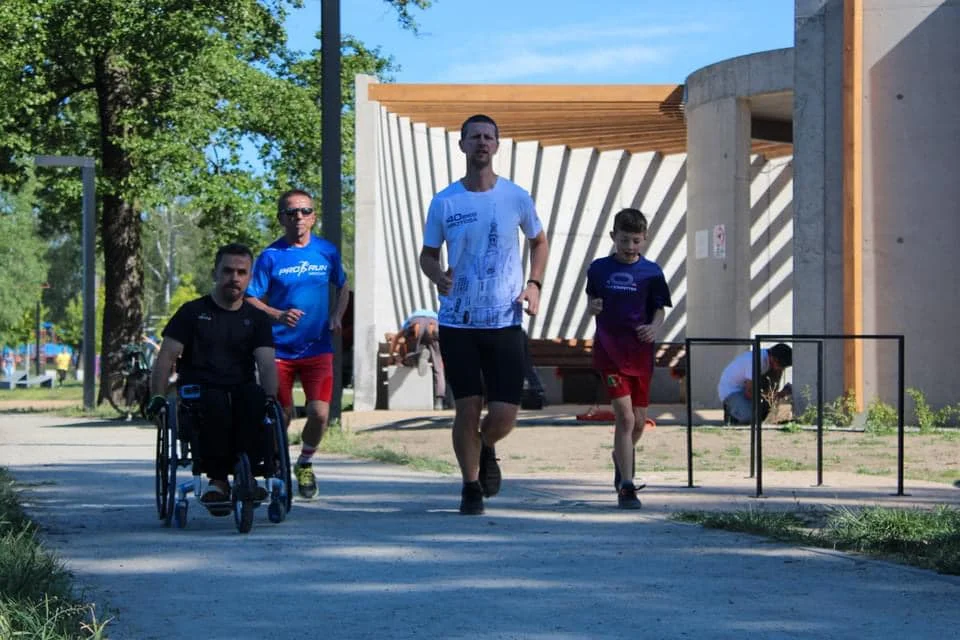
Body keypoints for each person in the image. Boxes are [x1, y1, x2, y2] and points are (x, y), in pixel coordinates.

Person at [419, 114, 549, 515]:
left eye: (487, 137)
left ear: (496, 145)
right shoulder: (445, 201)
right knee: (468, 408)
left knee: (505, 415)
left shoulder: (515, 197)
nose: (480, 143)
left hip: (505, 322)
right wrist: (438, 274)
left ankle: (487, 446)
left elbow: (539, 242)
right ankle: (470, 486)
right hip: (458, 322)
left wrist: (534, 285)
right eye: (473, 137)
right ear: (462, 146)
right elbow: (428, 255)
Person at [146, 243, 278, 515]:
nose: (235, 278)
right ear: (215, 273)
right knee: (215, 403)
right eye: (228, 270)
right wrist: (158, 397)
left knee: (255, 400)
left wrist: (271, 398)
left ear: (250, 277)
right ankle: (217, 481)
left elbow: (266, 364)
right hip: (199, 389)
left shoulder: (257, 318)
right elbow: (165, 359)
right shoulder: (191, 313)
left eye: (242, 272)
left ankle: (249, 476)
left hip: (241, 387)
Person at [245, 189, 350, 500]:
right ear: (281, 219)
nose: (299, 217)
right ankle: (277, 462)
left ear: (313, 216)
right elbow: (250, 298)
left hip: (318, 349)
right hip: (278, 351)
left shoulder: (327, 251)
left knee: (319, 413)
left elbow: (343, 286)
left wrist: (336, 316)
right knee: (282, 414)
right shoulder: (270, 256)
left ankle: (304, 462)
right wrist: (276, 314)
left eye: (305, 211)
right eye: (292, 212)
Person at [585, 208, 672, 509]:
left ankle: (620, 457)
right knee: (625, 417)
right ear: (613, 237)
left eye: (636, 241)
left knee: (638, 423)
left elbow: (660, 308)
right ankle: (626, 485)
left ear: (644, 239)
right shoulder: (598, 269)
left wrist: (654, 327)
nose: (629, 247)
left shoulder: (652, 273)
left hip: (641, 353)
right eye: (624, 240)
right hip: (609, 351)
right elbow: (592, 300)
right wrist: (593, 306)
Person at [717, 343, 792, 425]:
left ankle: (742, 411)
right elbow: (749, 393)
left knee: (764, 412)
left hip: (746, 387)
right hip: (732, 392)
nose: (781, 369)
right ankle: (732, 412)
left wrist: (775, 395)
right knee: (751, 417)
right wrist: (776, 395)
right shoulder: (756, 360)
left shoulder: (770, 362)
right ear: (774, 359)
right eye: (781, 366)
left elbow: (771, 390)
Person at [386, 309, 447, 410]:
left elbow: (397, 338)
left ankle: (417, 356)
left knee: (412, 351)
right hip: (435, 324)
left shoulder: (410, 319)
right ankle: (439, 402)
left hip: (417, 323)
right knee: (439, 368)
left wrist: (391, 356)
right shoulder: (434, 316)